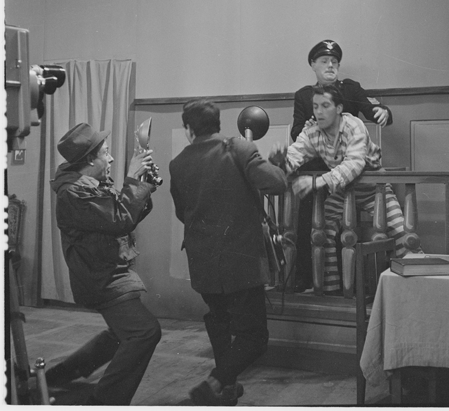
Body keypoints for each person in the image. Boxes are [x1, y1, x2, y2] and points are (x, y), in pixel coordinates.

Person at [170, 99, 287, 406]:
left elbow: (183, 213)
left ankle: (227, 389)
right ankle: (216, 382)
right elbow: (276, 183)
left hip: (202, 260)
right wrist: (276, 163)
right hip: (241, 260)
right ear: (218, 124)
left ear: (188, 129)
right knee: (254, 337)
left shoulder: (177, 163)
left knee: (218, 319)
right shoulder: (239, 148)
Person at [46, 123, 162, 405]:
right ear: (89, 160)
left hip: (107, 273)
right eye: (105, 153)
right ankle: (103, 403)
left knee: (121, 334)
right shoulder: (74, 193)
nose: (110, 159)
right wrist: (134, 179)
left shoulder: (88, 185)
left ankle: (56, 377)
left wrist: (144, 184)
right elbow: (119, 219)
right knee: (144, 333)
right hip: (101, 279)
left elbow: (123, 214)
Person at [270, 84, 422, 295]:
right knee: (321, 233)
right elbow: (295, 155)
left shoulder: (353, 125)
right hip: (342, 191)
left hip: (374, 190)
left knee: (403, 234)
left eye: (325, 106)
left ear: (339, 108)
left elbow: (354, 164)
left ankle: (420, 287)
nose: (319, 112)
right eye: (315, 106)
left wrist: (318, 182)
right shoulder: (312, 132)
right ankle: (331, 290)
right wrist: (281, 161)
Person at [291, 39, 393, 292]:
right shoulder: (303, 95)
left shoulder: (350, 90)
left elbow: (371, 109)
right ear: (313, 64)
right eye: (324, 61)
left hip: (352, 171)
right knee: (311, 224)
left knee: (350, 230)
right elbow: (297, 135)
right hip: (318, 168)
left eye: (334, 62)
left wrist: (384, 111)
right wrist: (311, 127)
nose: (330, 65)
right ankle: (313, 280)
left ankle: (350, 285)